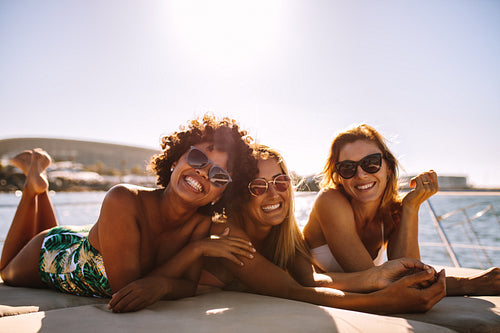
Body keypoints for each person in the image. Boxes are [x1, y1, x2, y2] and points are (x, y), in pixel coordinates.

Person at [0, 114, 258, 313]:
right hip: (55, 252)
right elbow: (128, 291)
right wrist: (194, 250)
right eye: (198, 158)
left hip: (99, 236)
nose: (203, 172)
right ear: (176, 159)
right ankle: (33, 188)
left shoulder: (199, 224)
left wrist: (168, 281)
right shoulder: (123, 198)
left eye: (219, 175)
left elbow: (187, 286)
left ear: (222, 193)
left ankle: (38, 183)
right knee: (5, 272)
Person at [195, 145, 446, 314]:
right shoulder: (226, 232)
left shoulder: (285, 235)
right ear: (238, 195)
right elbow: (292, 291)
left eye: (280, 181)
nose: (274, 194)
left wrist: (376, 277)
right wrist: (385, 301)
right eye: (258, 186)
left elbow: (311, 280)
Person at [303, 124, 500, 296]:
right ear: (338, 175)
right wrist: (468, 284)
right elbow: (374, 280)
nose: (361, 174)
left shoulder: (393, 212)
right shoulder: (330, 201)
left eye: (371, 163)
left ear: (388, 167)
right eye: (347, 167)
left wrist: (411, 207)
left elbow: (410, 276)